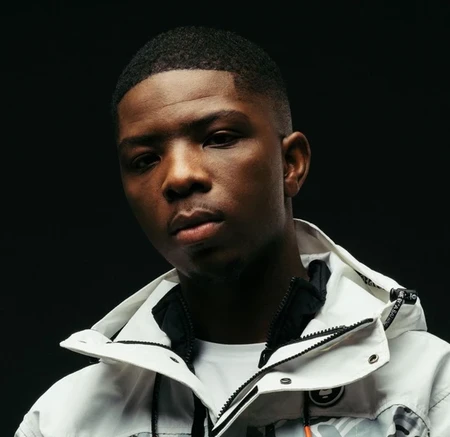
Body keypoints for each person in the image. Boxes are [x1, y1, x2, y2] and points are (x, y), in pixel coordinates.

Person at [15, 25, 450, 437]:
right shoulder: (66, 418)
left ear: (291, 164)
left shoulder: (428, 386)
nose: (178, 177)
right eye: (145, 160)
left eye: (219, 137)